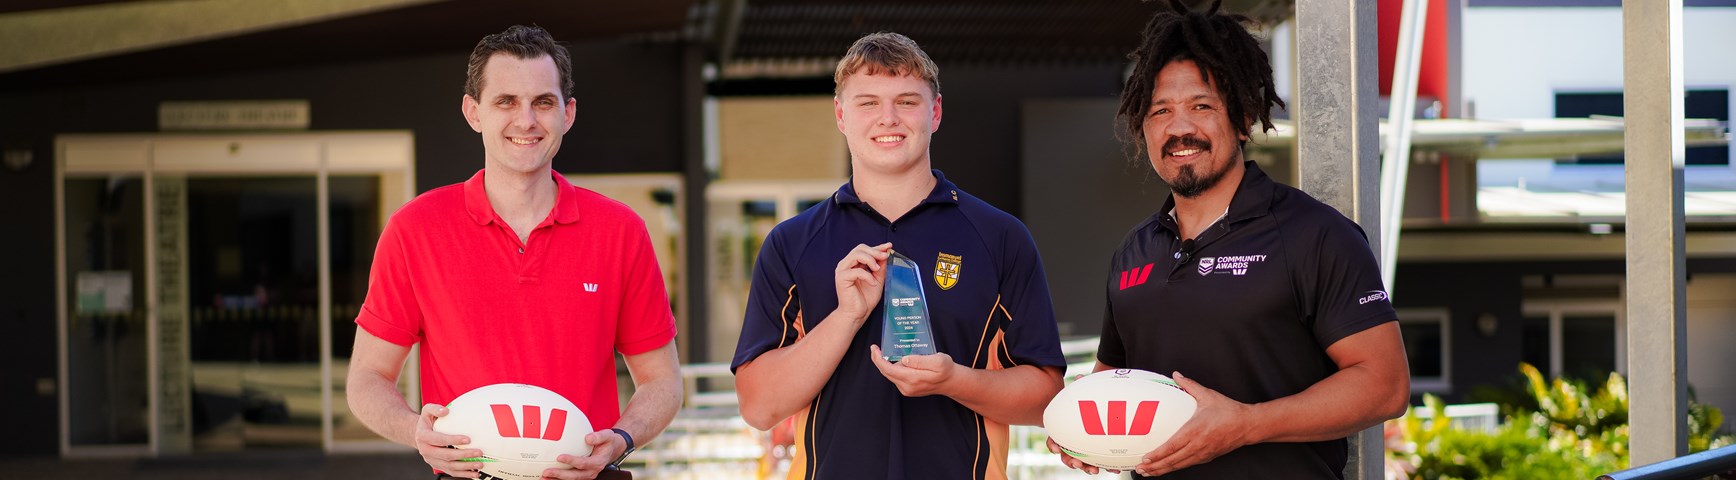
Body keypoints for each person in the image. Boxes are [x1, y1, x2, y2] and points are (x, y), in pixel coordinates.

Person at [1050, 1, 1411, 478]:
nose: (1180, 127)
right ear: (1144, 127)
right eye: (1161, 111)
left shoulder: (1314, 234)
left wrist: (1246, 424)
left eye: (1201, 106)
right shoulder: (1133, 252)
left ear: (1242, 118)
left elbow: (1385, 386)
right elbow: (1115, 380)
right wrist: (1082, 428)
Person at [346, 25, 682, 480]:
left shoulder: (621, 231)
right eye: (506, 101)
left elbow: (662, 380)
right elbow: (367, 378)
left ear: (568, 113)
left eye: (543, 102)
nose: (526, 121)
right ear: (473, 112)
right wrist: (415, 432)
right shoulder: (415, 229)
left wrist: (622, 438)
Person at [731, 32, 1067, 480]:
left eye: (906, 102)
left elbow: (1046, 397)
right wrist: (845, 317)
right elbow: (758, 407)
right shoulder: (791, 243)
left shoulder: (1000, 236)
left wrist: (953, 380)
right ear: (841, 115)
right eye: (868, 103)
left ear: (935, 112)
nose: (887, 118)